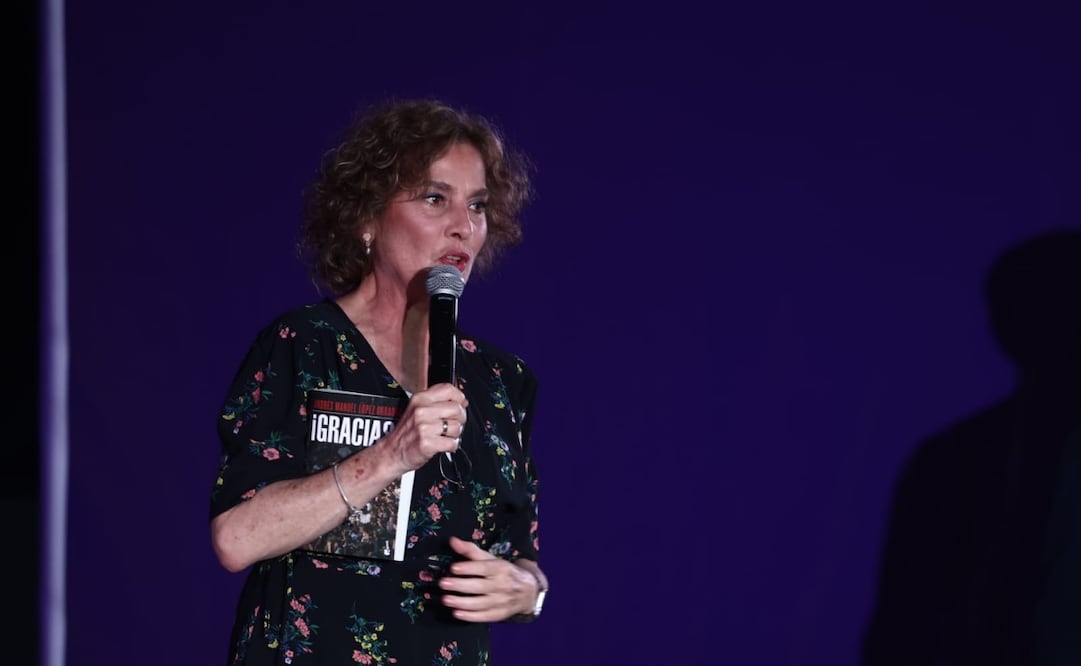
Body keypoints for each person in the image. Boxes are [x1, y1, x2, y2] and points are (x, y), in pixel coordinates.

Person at [209, 98, 548, 665]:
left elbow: (519, 553)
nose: (463, 225)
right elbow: (236, 539)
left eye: (479, 206)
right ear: (366, 218)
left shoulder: (502, 381)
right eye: (435, 199)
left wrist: (526, 592)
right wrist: (393, 453)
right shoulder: (304, 345)